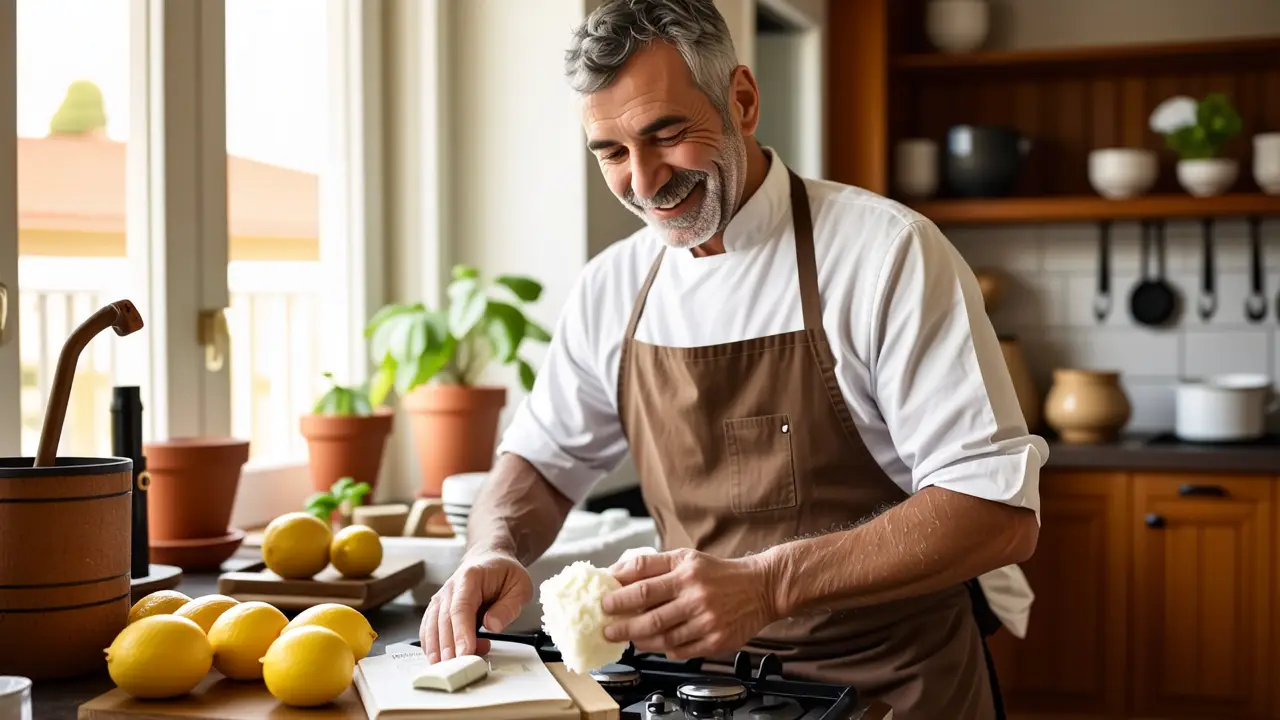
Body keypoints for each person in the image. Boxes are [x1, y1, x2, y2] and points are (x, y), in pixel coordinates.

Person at [419, 1, 1048, 717]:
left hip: (893, 686)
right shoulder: (612, 289)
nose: (646, 181)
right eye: (613, 153)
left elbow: (995, 511)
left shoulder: (887, 254)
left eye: (667, 135)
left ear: (741, 100)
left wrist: (769, 584)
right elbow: (539, 460)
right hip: (703, 695)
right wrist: (491, 550)